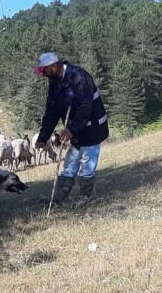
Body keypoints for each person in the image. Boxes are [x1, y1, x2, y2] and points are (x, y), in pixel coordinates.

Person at [33, 51, 109, 206]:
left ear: (53, 66)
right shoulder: (55, 82)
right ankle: (59, 198)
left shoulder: (80, 77)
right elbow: (52, 110)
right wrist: (43, 136)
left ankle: (85, 198)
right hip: (77, 131)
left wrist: (71, 129)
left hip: (92, 128)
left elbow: (85, 107)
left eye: (44, 71)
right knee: (69, 165)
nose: (43, 74)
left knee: (87, 165)